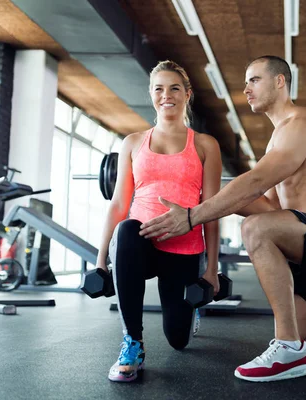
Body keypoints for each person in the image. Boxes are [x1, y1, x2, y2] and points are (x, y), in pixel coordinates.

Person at [138, 55, 306, 382]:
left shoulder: (302, 122)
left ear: (280, 81)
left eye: (254, 79)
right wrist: (202, 196)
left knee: (254, 231)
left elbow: (257, 183)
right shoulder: (275, 137)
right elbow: (267, 206)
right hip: (302, 241)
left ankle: (286, 349)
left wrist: (193, 215)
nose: (246, 89)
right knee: (304, 334)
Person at [96, 60, 222, 382]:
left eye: (175, 88)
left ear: (187, 94)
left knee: (177, 341)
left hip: (184, 247)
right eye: (159, 89)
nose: (167, 95)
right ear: (151, 94)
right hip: (140, 242)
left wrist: (211, 269)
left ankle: (187, 315)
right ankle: (132, 343)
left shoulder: (206, 145)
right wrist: (100, 261)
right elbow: (119, 204)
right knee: (126, 231)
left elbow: (211, 208)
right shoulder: (133, 143)